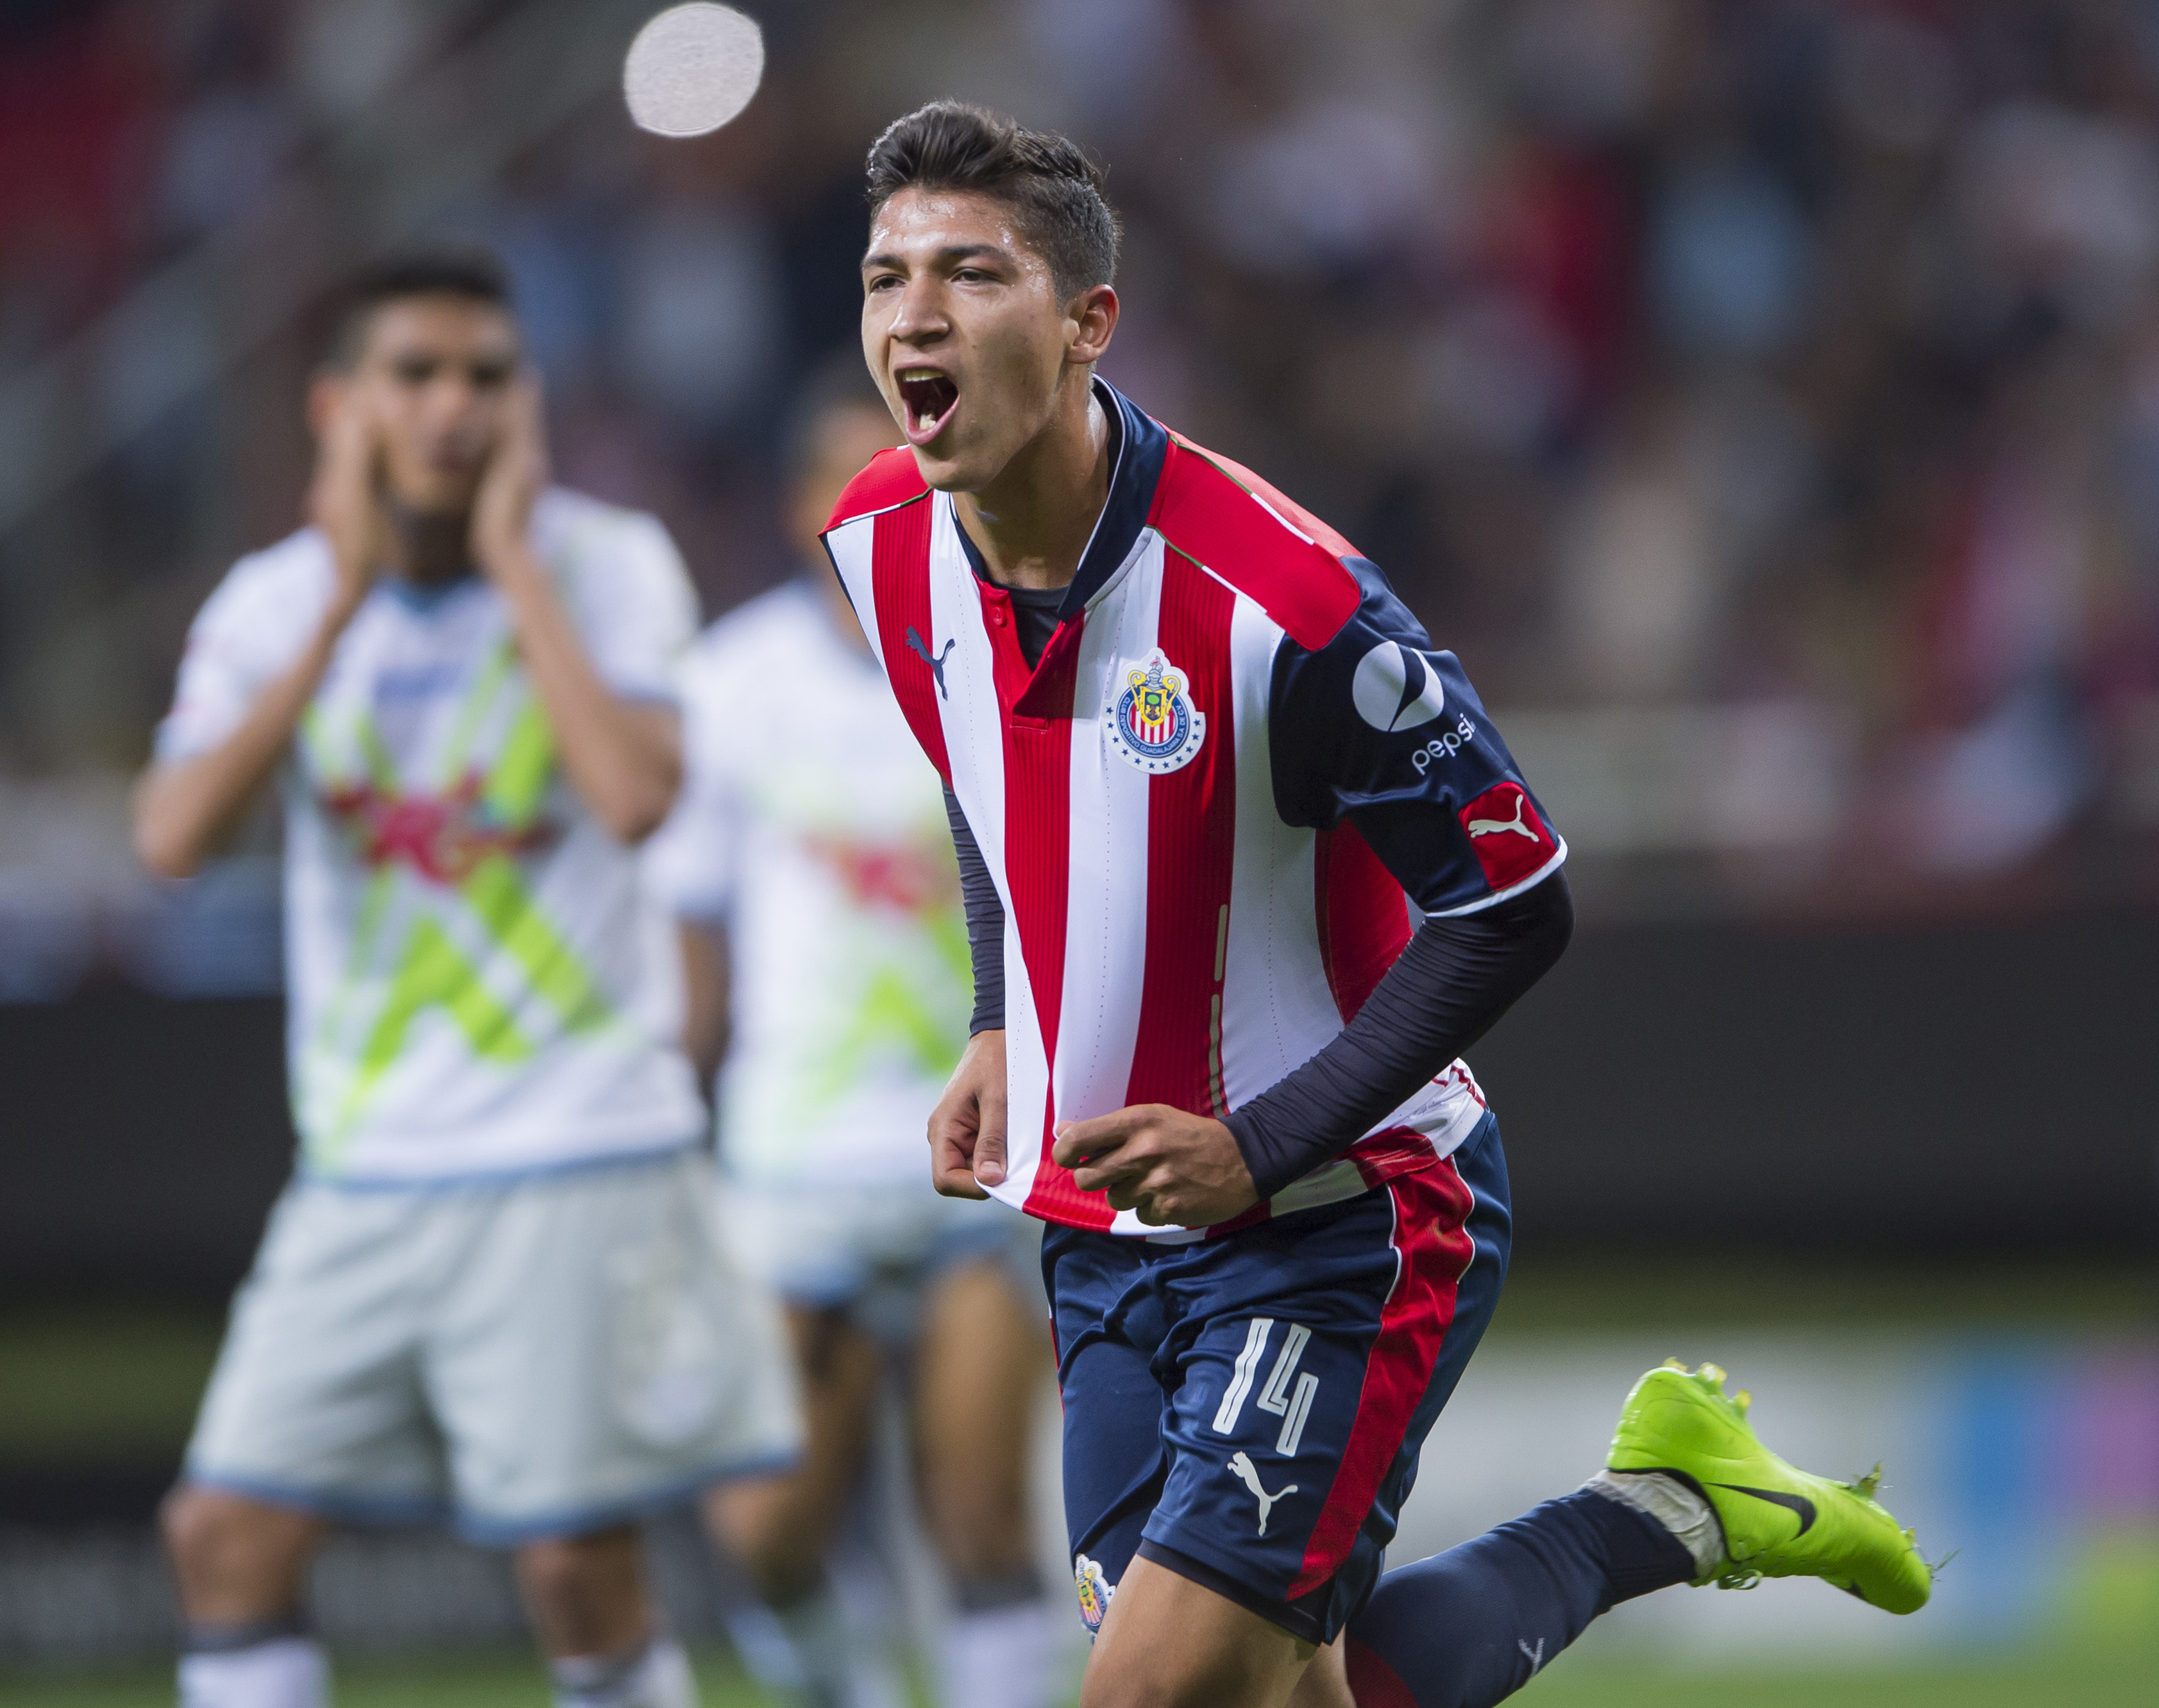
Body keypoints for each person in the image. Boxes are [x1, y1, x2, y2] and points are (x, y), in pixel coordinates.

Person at [822, 102, 1931, 1708]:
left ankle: (1651, 1521)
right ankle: (1670, 1507)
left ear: (1085, 325)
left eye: (970, 274)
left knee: (1148, 1696)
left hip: (1341, 1222)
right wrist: (1002, 1015)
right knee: (1279, 1691)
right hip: (1099, 1235)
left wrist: (1258, 1144)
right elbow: (979, 782)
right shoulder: (877, 543)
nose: (912, 314)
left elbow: (1515, 896)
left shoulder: (1284, 607)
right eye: (883, 277)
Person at [135, 249, 799, 1708]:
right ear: (338, 407)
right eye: (414, 376)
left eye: (485, 377)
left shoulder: (604, 563)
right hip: (363, 1165)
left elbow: (635, 797)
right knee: (224, 1535)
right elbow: (174, 838)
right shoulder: (271, 605)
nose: (452, 409)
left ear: (527, 401)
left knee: (575, 1571)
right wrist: (337, 608)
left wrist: (509, 570)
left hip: (573, 1145)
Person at [644, 358, 1064, 1708]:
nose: (877, 495)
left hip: (982, 1174)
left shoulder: (1012, 658)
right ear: (793, 509)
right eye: (844, 473)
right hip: (788, 1172)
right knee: (766, 1539)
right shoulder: (727, 686)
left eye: (898, 463)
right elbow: (691, 957)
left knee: (986, 1526)